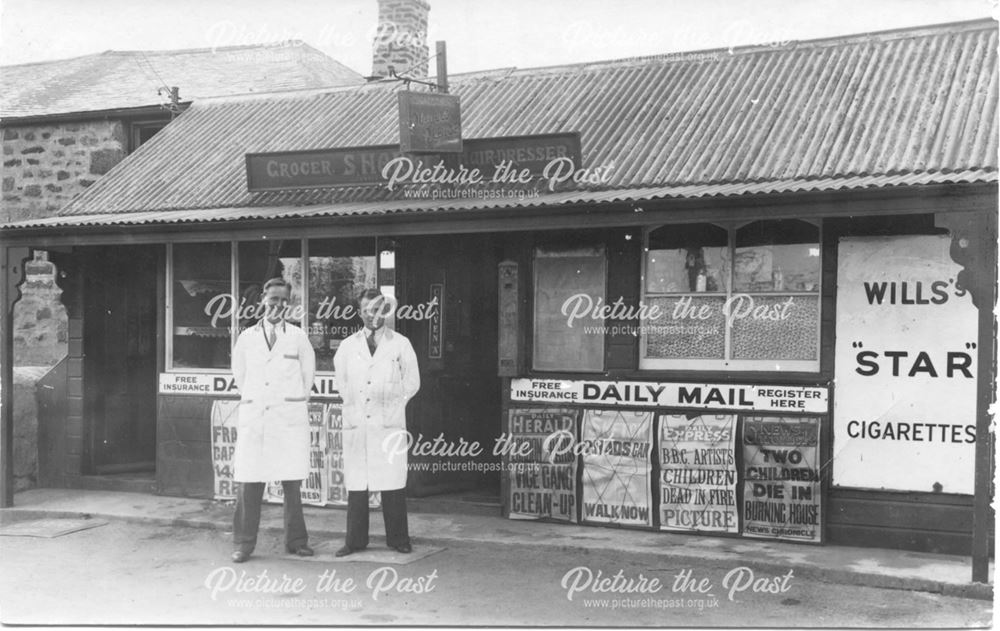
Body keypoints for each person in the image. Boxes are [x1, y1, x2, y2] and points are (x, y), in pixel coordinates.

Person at [229, 277, 317, 563]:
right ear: (263, 301)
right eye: (273, 299)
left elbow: (307, 378)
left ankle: (297, 541)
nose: (277, 304)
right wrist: (259, 401)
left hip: (287, 418)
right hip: (256, 418)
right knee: (249, 482)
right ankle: (243, 544)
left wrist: (288, 403)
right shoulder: (246, 338)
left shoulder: (298, 337)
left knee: (292, 482)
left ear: (289, 304)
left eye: (283, 300)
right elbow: (240, 377)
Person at [333, 288, 421, 556]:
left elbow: (413, 382)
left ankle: (398, 539)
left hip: (388, 423)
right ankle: (355, 541)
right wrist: (355, 406)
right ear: (360, 312)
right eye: (370, 309)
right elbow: (342, 383)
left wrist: (393, 405)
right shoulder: (348, 346)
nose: (375, 315)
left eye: (381, 309)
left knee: (392, 482)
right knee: (358, 485)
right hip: (358, 423)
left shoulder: (400, 344)